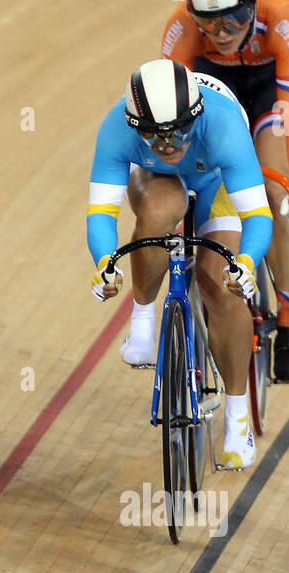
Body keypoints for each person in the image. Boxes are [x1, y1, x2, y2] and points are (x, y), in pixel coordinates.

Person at [88, 60, 273, 468]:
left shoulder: (224, 126)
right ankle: (141, 322)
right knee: (156, 213)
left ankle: (237, 418)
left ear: (197, 114)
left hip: (217, 179)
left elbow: (258, 215)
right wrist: (104, 261)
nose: (168, 144)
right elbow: (101, 212)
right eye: (153, 135)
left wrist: (244, 262)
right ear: (134, 125)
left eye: (178, 131)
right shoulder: (116, 129)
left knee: (219, 285)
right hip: (158, 180)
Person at [161, 0, 289, 381]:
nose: (222, 32)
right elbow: (167, 114)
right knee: (197, 170)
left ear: (252, 7)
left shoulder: (281, 16)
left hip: (271, 84)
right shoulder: (182, 29)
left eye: (232, 20)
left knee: (274, 187)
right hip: (213, 81)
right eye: (208, 22)